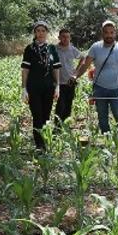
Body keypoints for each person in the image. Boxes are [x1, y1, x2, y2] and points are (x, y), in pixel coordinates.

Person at [75, 20, 118, 134]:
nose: (109, 35)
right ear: (102, 33)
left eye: (111, 32)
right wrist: (75, 76)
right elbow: (85, 65)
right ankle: (107, 138)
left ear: (115, 33)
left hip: (116, 88)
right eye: (106, 32)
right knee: (102, 116)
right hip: (99, 88)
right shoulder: (95, 47)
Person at [20, 21, 61, 149]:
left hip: (48, 87)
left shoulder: (52, 49)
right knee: (37, 115)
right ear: (35, 33)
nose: (41, 33)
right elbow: (25, 69)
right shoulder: (30, 49)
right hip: (34, 87)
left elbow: (55, 68)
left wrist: (57, 86)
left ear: (46, 33)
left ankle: (44, 140)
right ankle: (39, 146)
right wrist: (24, 88)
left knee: (46, 115)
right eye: (38, 31)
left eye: (43, 30)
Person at [54, 28, 81, 123]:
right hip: (59, 82)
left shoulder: (72, 49)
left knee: (68, 104)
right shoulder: (54, 49)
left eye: (67, 37)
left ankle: (65, 124)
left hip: (70, 81)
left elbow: (83, 58)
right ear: (59, 38)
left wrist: (76, 72)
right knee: (60, 105)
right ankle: (57, 126)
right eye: (63, 37)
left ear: (70, 38)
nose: (65, 39)